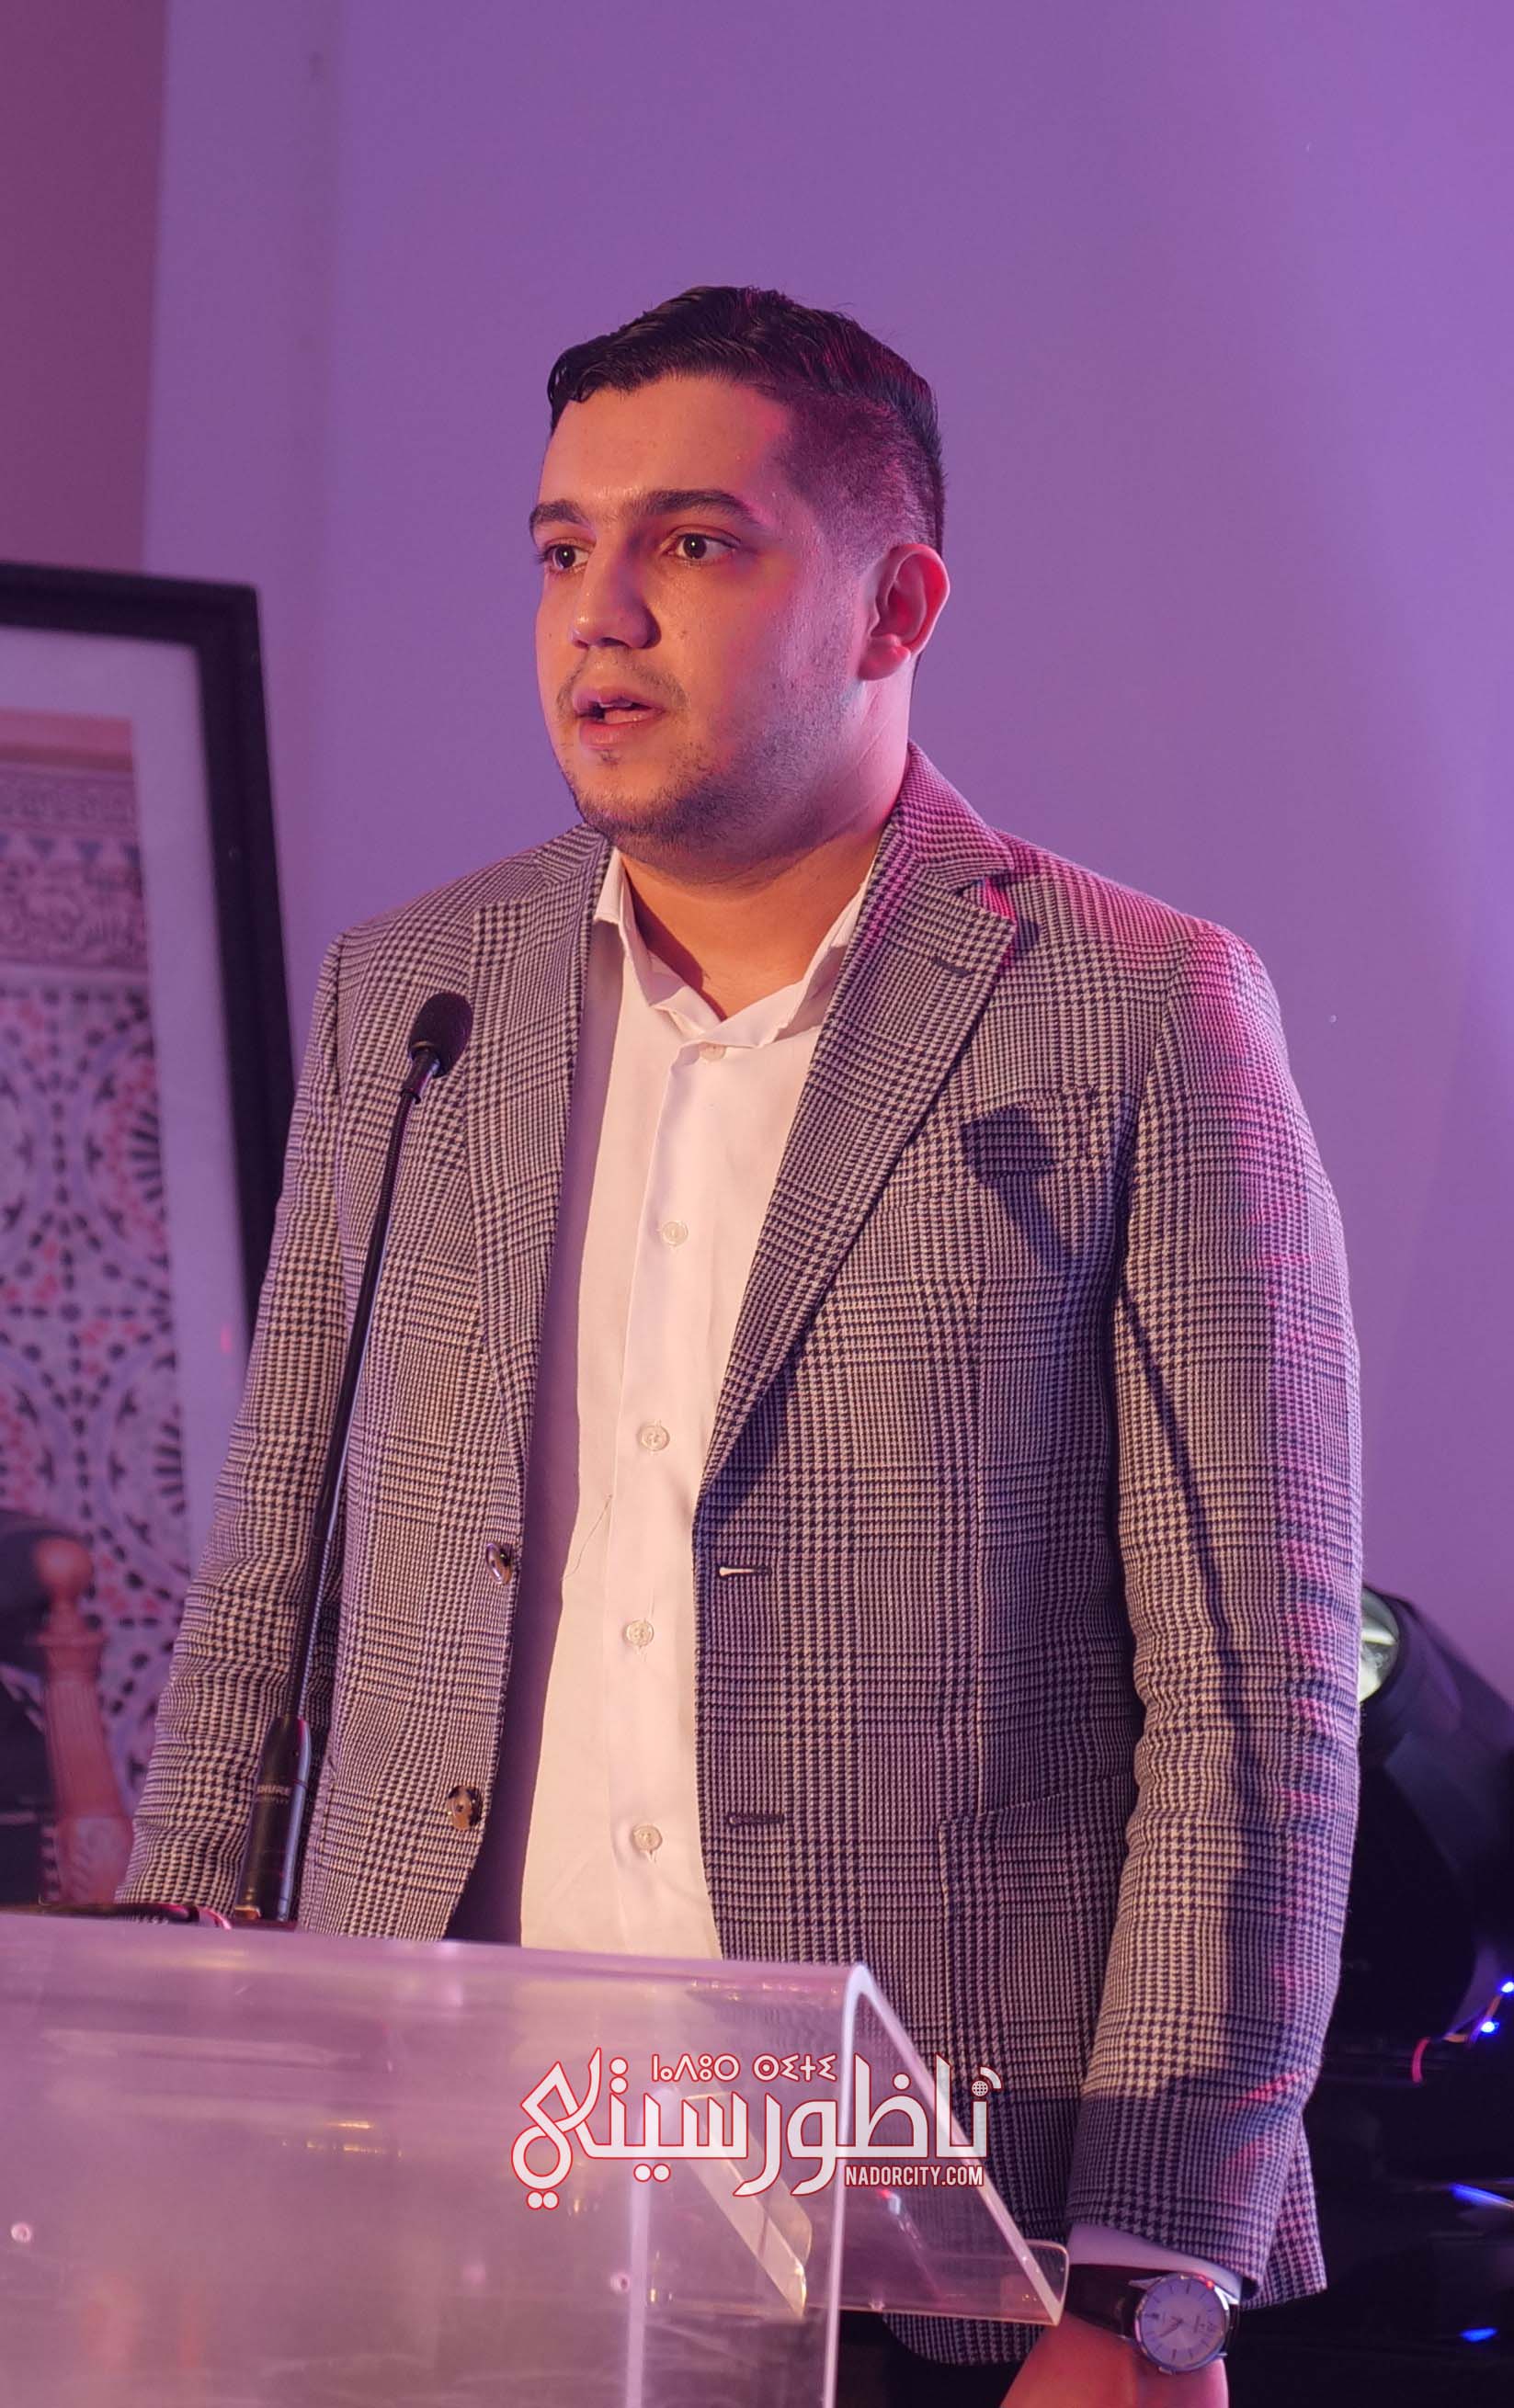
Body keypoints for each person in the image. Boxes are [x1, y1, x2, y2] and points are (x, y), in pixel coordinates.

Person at [120, 286, 1361, 2402]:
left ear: (894, 606)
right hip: (435, 2205)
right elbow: (269, 1578)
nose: (598, 613)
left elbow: (1250, 1696)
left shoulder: (1135, 1007)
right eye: (559, 547)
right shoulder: (414, 995)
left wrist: (1149, 2276)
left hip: (930, 2253)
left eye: (690, 542)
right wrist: (166, 2081)